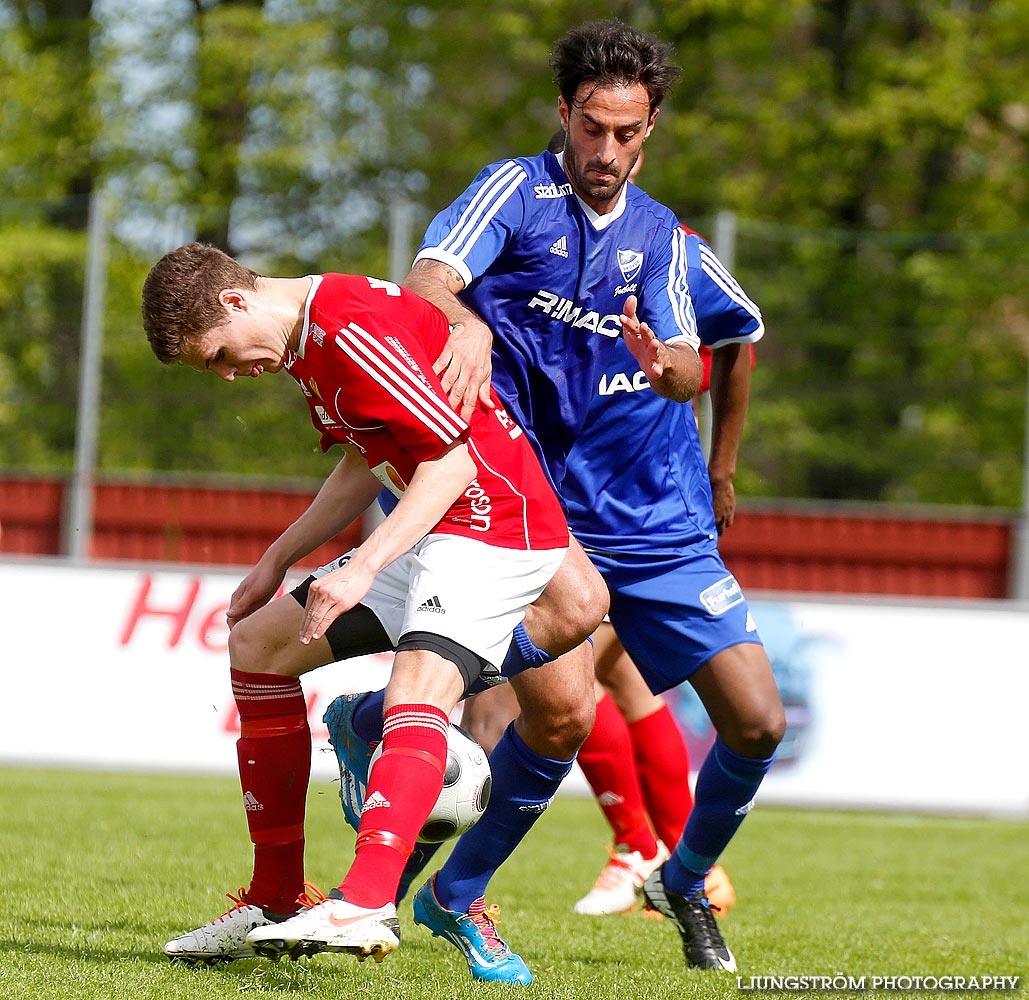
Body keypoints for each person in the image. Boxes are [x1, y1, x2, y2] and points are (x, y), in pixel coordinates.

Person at [325, 19, 777, 982]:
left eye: (626, 134)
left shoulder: (663, 238)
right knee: (558, 718)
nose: (604, 151)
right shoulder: (515, 192)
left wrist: (675, 377)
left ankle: (677, 876)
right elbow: (428, 281)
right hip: (537, 505)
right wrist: (459, 320)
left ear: (649, 130)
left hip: (655, 514)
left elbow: (713, 356)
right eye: (590, 128)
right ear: (562, 113)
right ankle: (408, 889)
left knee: (755, 723)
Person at [140, 242, 585, 967]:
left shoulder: (346, 329)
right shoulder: (307, 338)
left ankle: (365, 903)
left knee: (420, 687)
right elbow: (362, 457)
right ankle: (277, 896)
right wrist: (276, 560)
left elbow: (450, 462)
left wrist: (361, 566)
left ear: (234, 302)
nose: (228, 376)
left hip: (491, 526)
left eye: (219, 355)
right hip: (434, 524)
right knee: (256, 646)